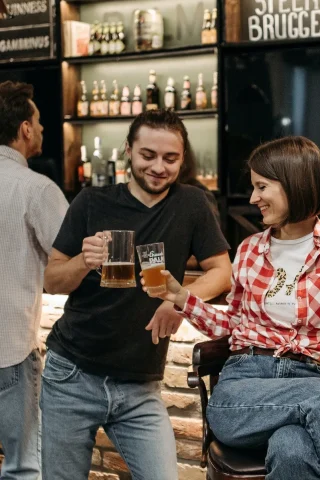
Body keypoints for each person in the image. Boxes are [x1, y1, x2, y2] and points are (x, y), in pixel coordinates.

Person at [142, 136, 320, 480]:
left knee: (291, 449)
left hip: (305, 378)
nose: (253, 198)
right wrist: (181, 297)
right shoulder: (249, 249)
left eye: (261, 186)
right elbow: (232, 326)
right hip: (241, 389)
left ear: (294, 184)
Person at [42, 109, 231, 480]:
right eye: (148, 155)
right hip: (71, 376)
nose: (159, 167)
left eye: (170, 158)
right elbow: (52, 280)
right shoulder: (91, 202)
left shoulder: (191, 204)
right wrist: (83, 260)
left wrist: (179, 300)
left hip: (140, 386)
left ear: (182, 158)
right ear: (128, 150)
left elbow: (221, 272)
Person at [0, 80, 69, 480]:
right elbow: (71, 263)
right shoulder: (35, 188)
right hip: (9, 348)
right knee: (23, 467)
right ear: (25, 129)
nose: (42, 129)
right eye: (39, 121)